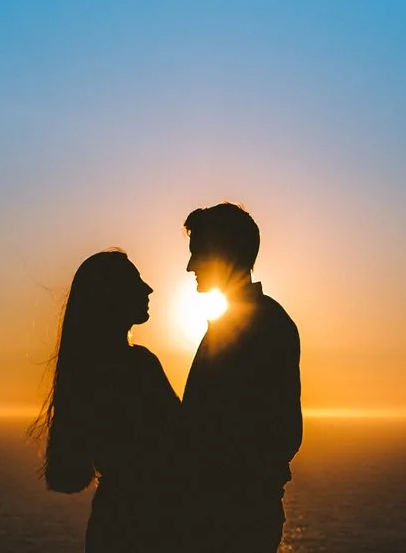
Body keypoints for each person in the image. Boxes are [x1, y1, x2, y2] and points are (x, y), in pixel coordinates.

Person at [38, 249, 183, 552]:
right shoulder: (137, 366)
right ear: (112, 297)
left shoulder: (87, 369)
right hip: (148, 525)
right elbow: (182, 445)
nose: (148, 289)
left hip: (111, 523)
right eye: (136, 282)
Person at [178, 202, 301, 553]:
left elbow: (278, 432)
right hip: (234, 511)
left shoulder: (261, 326)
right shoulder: (258, 322)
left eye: (197, 254)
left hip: (232, 518)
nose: (190, 266)